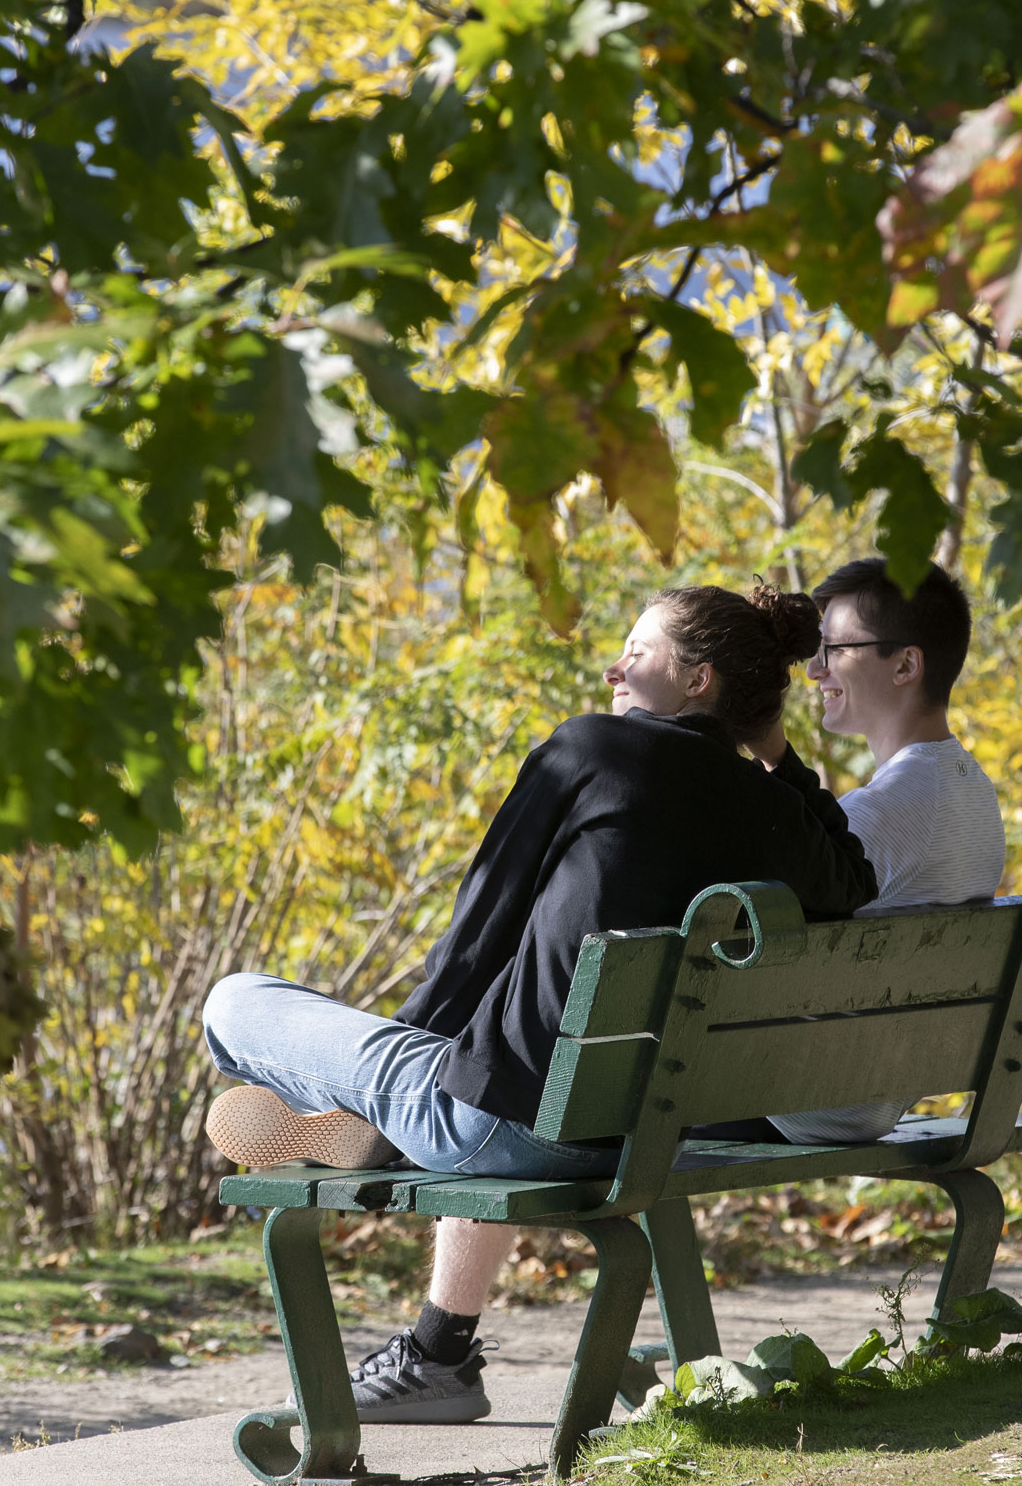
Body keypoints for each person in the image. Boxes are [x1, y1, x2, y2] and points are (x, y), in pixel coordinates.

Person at [199, 581, 875, 1422]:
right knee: (478, 1046)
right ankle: (377, 1119)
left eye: (637, 650)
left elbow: (477, 935)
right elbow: (855, 879)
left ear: (697, 678)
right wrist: (772, 748)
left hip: (501, 1122)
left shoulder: (594, 749)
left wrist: (402, 1072)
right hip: (649, 1138)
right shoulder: (770, 807)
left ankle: (369, 1115)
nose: (611, 668)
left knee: (233, 1001)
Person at [756, 555, 1004, 1144]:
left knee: (528, 1100)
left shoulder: (892, 807)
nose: (814, 671)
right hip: (877, 1085)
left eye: (834, 649)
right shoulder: (971, 790)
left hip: (808, 1095)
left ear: (905, 665)